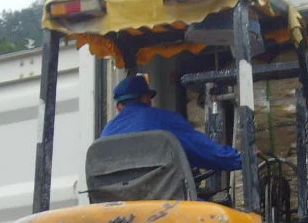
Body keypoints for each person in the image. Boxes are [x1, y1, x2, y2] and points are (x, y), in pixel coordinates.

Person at [101, 73, 242, 172]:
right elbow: (205, 152)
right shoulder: (162, 120)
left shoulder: (106, 132)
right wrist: (242, 159)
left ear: (118, 107)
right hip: (160, 203)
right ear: (147, 99)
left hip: (117, 206)